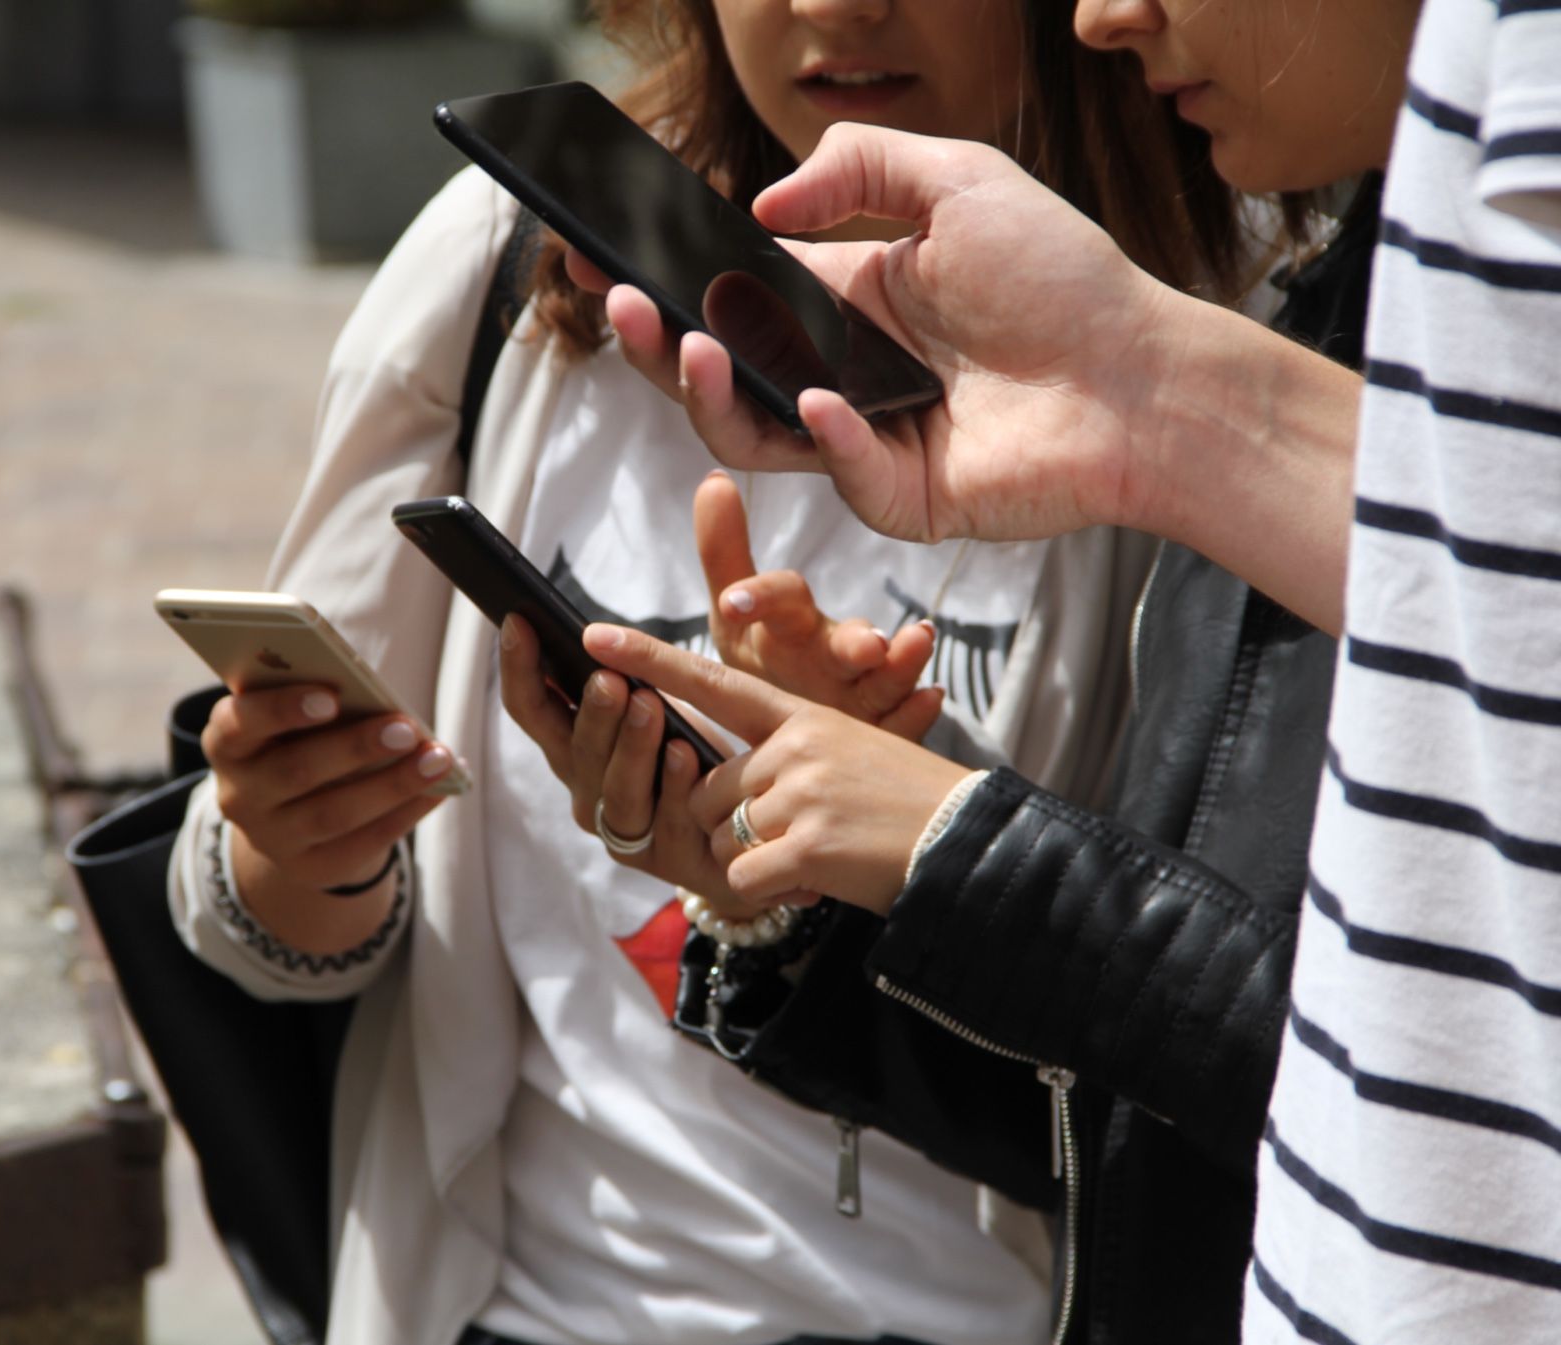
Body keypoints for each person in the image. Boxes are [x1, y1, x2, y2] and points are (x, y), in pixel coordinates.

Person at [164, 2, 1252, 1343]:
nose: (833, 6)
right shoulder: (503, 260)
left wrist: (901, 813)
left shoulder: (1216, 343)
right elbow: (269, 908)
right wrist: (295, 849)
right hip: (528, 1307)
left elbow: (1220, 1022)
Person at [587, 0, 1561, 1340]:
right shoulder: (1338, 303)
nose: (1098, 14)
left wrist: (957, 849)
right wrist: (829, 888)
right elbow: (1150, 1133)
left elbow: (1414, 1058)